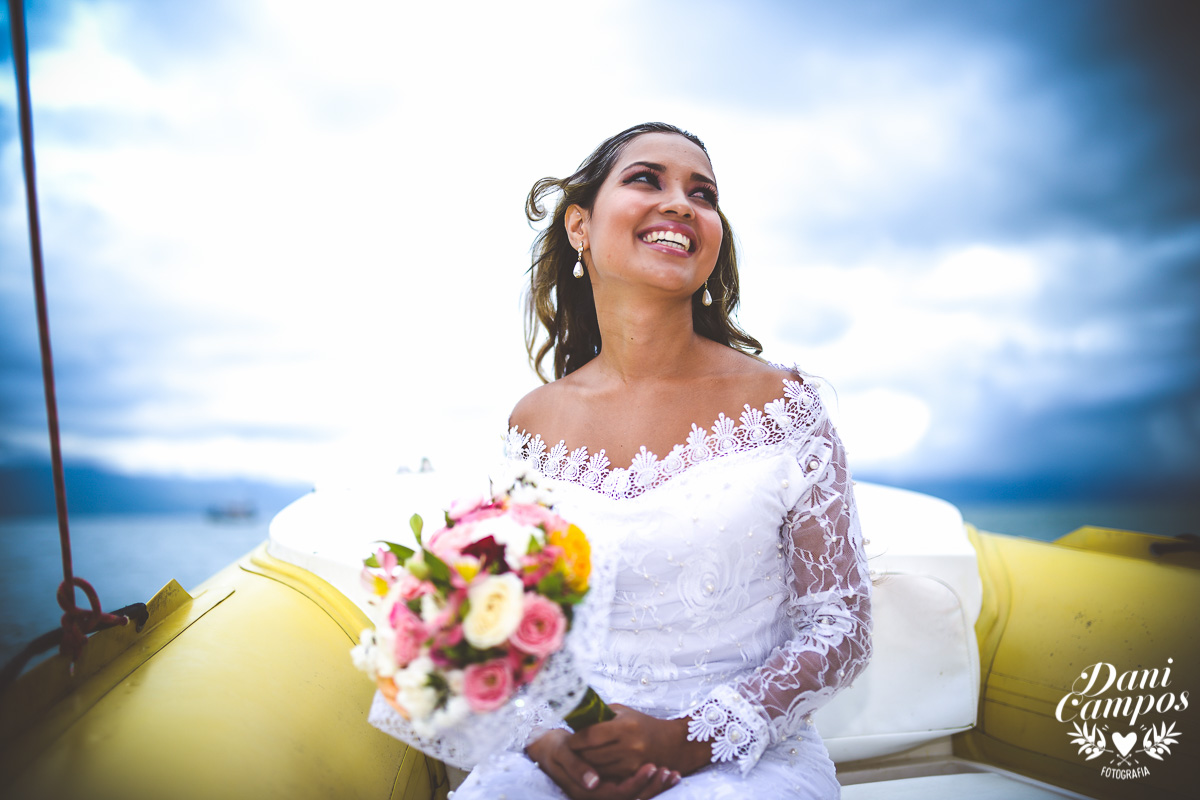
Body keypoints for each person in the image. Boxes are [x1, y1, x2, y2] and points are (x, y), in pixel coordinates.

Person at [452, 122, 872, 799]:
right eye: (647, 179)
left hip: (742, 762)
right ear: (579, 225)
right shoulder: (532, 422)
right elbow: (506, 622)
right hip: (559, 758)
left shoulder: (781, 404)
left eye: (702, 194)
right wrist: (551, 743)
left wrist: (689, 738)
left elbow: (840, 628)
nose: (681, 203)